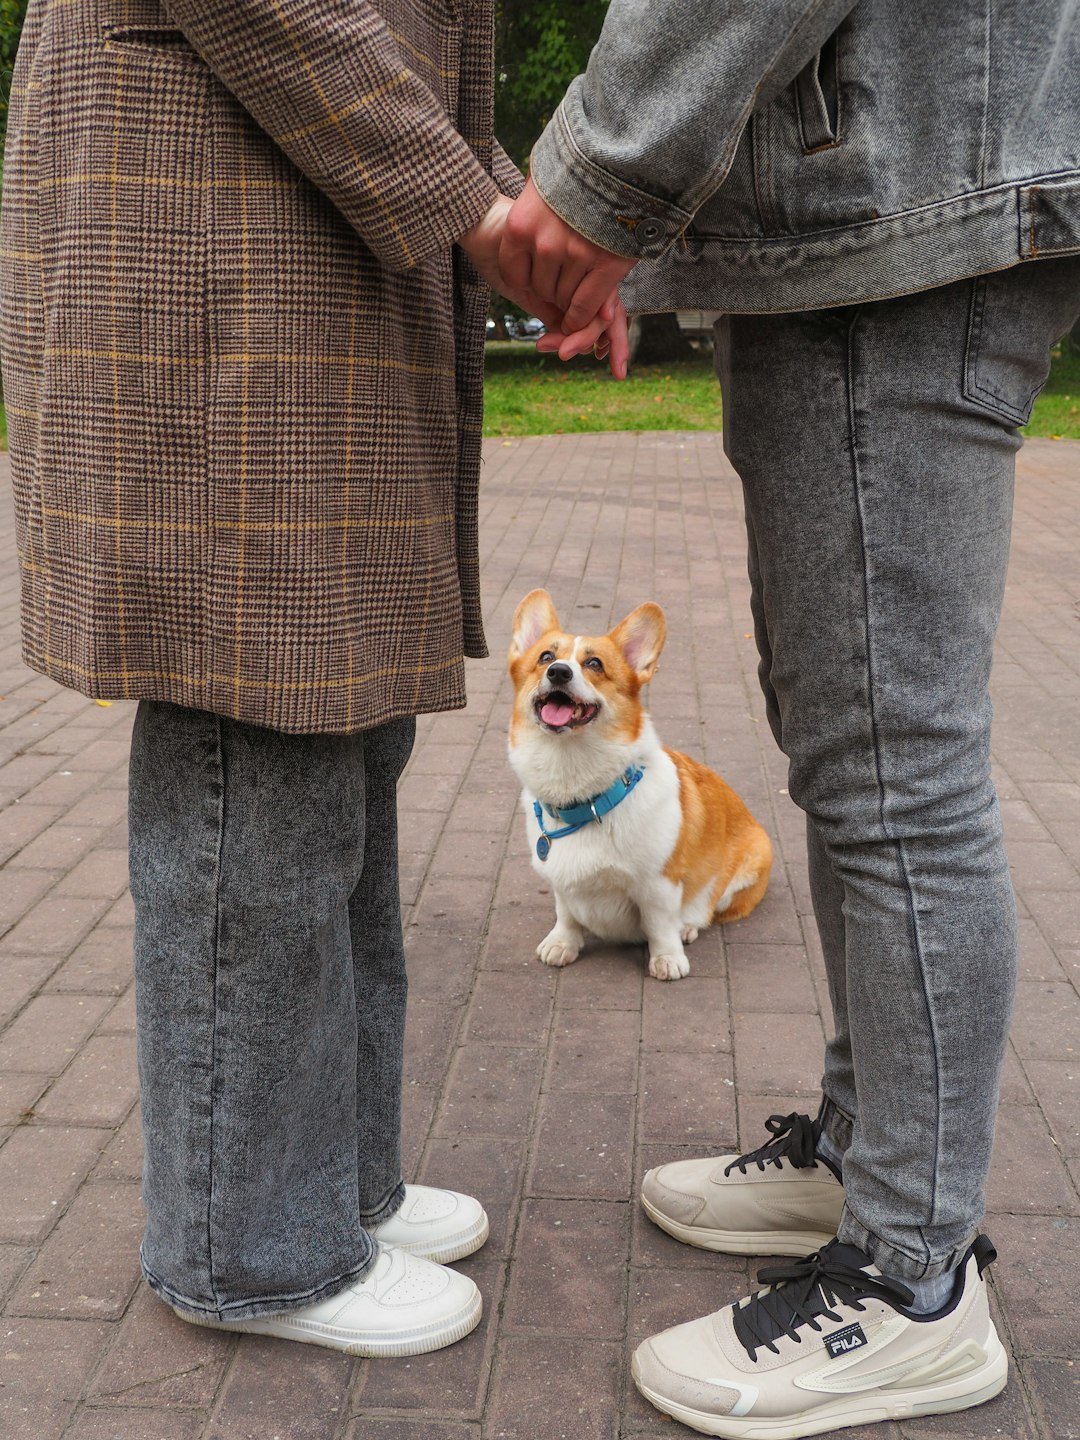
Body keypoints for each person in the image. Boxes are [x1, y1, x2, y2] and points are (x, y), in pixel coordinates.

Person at [0, 0, 626, 1358]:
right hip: (224, 255)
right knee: (257, 751)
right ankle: (251, 1245)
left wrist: (518, 214)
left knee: (335, 759)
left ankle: (331, 1188)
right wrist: (487, 215)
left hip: (301, 256)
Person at [498, 1, 1080, 1434]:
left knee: (894, 772)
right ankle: (869, 1156)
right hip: (869, 209)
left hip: (898, 211)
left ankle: (911, 1282)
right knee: (854, 758)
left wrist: (603, 175)